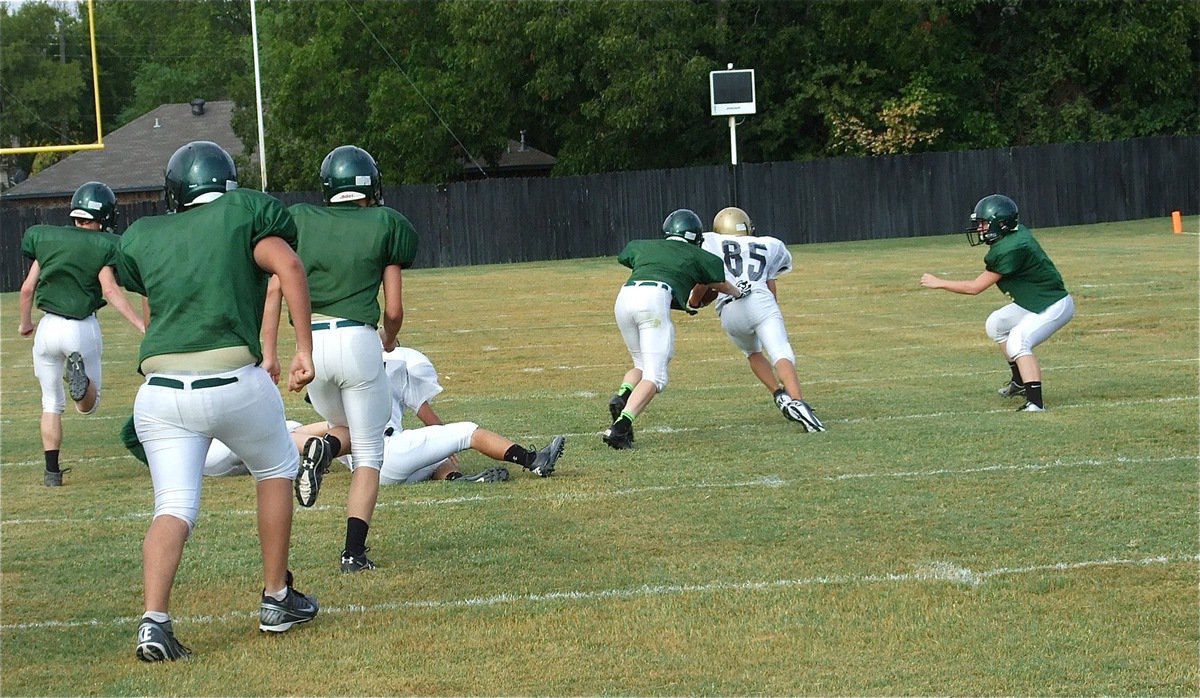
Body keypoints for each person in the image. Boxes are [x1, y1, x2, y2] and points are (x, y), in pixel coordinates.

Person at [116, 140, 319, 662]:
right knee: (276, 467)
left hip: (158, 393)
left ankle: (153, 622)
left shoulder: (146, 235)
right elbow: (290, 267)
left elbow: (145, 292)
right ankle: (277, 597)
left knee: (174, 506)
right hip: (231, 380)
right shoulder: (244, 216)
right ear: (226, 183)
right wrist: (303, 349)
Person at [280, 144, 418, 575]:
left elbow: (280, 283)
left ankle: (327, 446)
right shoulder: (387, 223)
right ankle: (353, 553)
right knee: (371, 447)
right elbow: (393, 310)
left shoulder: (300, 218)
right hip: (359, 339)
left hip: (313, 340)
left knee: (349, 430)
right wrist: (389, 339)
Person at [193, 346, 566, 485]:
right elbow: (434, 423)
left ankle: (455, 479)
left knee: (318, 432)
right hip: (393, 450)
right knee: (463, 432)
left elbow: (324, 414)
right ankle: (533, 460)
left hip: (364, 466)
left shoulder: (336, 371)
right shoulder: (397, 365)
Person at [17, 181, 145, 487]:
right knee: (88, 405)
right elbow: (110, 290)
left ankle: (51, 473)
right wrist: (141, 324)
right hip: (80, 327)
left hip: (47, 328)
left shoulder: (46, 238)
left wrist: (25, 324)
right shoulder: (103, 245)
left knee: (50, 403)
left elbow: (26, 289)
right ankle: (81, 383)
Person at [603, 208, 748, 449]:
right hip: (654, 300)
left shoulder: (642, 245)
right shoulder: (699, 255)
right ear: (694, 235)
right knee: (656, 377)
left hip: (625, 297)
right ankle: (619, 429)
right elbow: (716, 281)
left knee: (640, 363)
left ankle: (624, 394)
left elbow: (627, 257)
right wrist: (738, 291)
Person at [919, 193, 1075, 411]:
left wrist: (939, 282)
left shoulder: (1010, 248)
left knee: (1018, 342)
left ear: (1000, 224)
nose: (980, 229)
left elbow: (975, 288)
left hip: (1053, 304)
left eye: (983, 224)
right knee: (996, 324)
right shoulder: (1013, 234)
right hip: (1035, 300)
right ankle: (1019, 381)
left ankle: (1035, 403)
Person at [693, 207, 825, 432]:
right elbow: (771, 287)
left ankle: (778, 394)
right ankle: (798, 402)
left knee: (753, 353)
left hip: (729, 309)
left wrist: (694, 302)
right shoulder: (770, 244)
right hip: (759, 299)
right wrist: (770, 313)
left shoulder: (710, 241)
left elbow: (706, 279)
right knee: (780, 352)